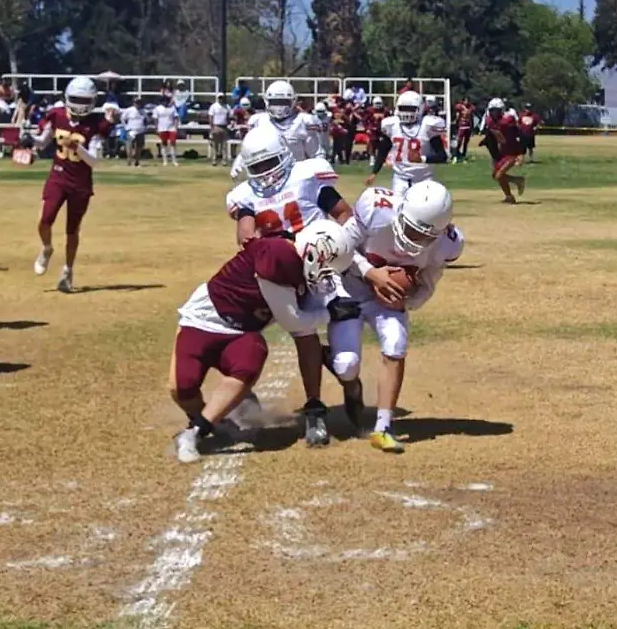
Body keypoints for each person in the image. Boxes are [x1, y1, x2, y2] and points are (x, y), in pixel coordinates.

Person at [168, 220, 360, 463]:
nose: (324, 275)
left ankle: (195, 433)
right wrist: (331, 313)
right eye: (325, 266)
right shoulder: (279, 255)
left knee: (249, 361)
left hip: (242, 332)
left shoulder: (295, 257)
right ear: (316, 250)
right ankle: (211, 418)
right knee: (181, 388)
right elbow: (295, 322)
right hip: (205, 320)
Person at [225, 125, 356, 445]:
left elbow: (344, 215)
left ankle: (314, 408)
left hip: (316, 270)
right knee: (233, 326)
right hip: (275, 273)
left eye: (269, 164)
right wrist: (252, 236)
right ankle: (243, 394)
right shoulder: (246, 195)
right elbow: (244, 231)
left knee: (305, 334)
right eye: (256, 168)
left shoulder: (307, 177)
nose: (265, 175)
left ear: (284, 157)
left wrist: (340, 248)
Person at [326, 180, 465, 453]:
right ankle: (352, 388)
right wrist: (372, 273)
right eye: (411, 229)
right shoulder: (375, 209)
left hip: (386, 299)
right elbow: (342, 248)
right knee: (346, 365)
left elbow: (427, 284)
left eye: (423, 236)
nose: (414, 239)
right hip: (350, 287)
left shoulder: (447, 245)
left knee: (396, 344)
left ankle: (383, 427)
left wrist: (406, 297)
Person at [29, 76, 113, 292]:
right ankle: (47, 249)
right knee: (44, 220)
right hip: (58, 176)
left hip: (81, 183)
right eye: (76, 99)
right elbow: (43, 140)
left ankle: (68, 270)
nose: (81, 104)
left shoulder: (97, 124)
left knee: (72, 230)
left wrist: (77, 148)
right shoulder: (57, 115)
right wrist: (29, 139)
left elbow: (93, 160)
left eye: (85, 100)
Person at [229, 80, 324, 179]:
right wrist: (239, 162)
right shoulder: (259, 121)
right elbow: (248, 150)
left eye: (283, 102)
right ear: (267, 101)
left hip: (297, 178)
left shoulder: (305, 121)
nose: (279, 107)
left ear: (293, 101)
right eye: (275, 102)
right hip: (267, 178)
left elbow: (316, 154)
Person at [366, 90, 449, 199]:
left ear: (419, 108)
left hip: (423, 180)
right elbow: (383, 150)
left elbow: (443, 156)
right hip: (400, 179)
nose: (407, 113)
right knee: (397, 210)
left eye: (410, 109)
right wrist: (374, 172)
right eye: (403, 108)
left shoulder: (427, 126)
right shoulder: (392, 125)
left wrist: (422, 159)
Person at [479, 98, 526, 203]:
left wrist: (522, 153)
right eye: (491, 110)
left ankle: (518, 181)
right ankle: (509, 196)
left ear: (501, 110)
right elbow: (492, 135)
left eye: (495, 110)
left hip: (513, 152)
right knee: (496, 175)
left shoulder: (508, 120)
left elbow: (521, 135)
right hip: (503, 152)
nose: (492, 112)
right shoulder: (489, 121)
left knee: (499, 175)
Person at [121, 96, 147, 166]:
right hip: (131, 130)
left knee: (139, 146)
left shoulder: (143, 111)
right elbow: (123, 119)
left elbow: (146, 120)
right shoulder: (129, 110)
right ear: (133, 103)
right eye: (136, 103)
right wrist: (126, 127)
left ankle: (137, 161)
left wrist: (145, 127)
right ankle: (129, 160)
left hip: (140, 131)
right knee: (129, 145)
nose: (138, 104)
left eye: (139, 103)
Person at [154, 97, 179, 166]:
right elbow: (155, 119)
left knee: (173, 143)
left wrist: (176, 127)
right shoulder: (158, 108)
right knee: (164, 143)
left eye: (166, 101)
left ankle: (174, 161)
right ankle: (165, 161)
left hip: (171, 128)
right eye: (164, 101)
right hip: (162, 128)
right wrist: (156, 128)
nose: (165, 103)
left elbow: (176, 117)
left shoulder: (172, 108)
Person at [208, 93, 231, 167]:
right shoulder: (214, 106)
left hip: (224, 126)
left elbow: (229, 116)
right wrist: (212, 128)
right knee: (215, 145)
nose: (221, 99)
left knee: (224, 145)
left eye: (222, 98)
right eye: (219, 98)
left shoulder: (227, 106)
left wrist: (228, 124)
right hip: (216, 126)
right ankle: (214, 160)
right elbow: (211, 117)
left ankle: (224, 160)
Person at [453, 97, 474, 163]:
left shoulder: (471, 108)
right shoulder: (460, 107)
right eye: (465, 101)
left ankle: (463, 156)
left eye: (467, 101)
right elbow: (456, 109)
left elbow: (472, 118)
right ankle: (456, 155)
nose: (466, 102)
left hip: (468, 126)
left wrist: (472, 127)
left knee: (466, 143)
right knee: (459, 142)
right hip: (461, 126)